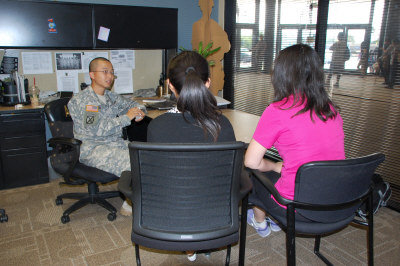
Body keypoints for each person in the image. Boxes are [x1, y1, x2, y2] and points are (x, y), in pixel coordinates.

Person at [244, 44, 345, 238]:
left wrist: (274, 166)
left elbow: (251, 161)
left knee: (253, 174)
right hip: (335, 201)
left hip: (297, 207)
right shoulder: (330, 108)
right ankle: (274, 220)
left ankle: (261, 224)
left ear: (281, 74)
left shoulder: (277, 110)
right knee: (284, 170)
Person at [147, 51, 236, 261]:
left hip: (170, 213)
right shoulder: (222, 125)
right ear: (207, 83)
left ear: (169, 84)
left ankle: (189, 245)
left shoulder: (156, 127)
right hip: (215, 212)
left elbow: (157, 177)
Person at [67, 57, 146, 216]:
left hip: (114, 143)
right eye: (105, 72)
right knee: (132, 162)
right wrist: (126, 118)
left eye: (112, 73)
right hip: (92, 148)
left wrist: (140, 111)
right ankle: (129, 203)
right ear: (92, 75)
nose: (109, 76)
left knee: (144, 155)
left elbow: (132, 104)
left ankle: (143, 198)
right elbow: (94, 131)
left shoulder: (110, 96)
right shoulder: (85, 101)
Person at [192, 0, 231, 95]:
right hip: (203, 67)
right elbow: (195, 46)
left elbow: (226, 46)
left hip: (215, 66)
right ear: (201, 7)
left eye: (210, 6)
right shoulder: (197, 25)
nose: (208, 9)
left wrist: (216, 54)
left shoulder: (214, 25)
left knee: (214, 98)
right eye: (205, 6)